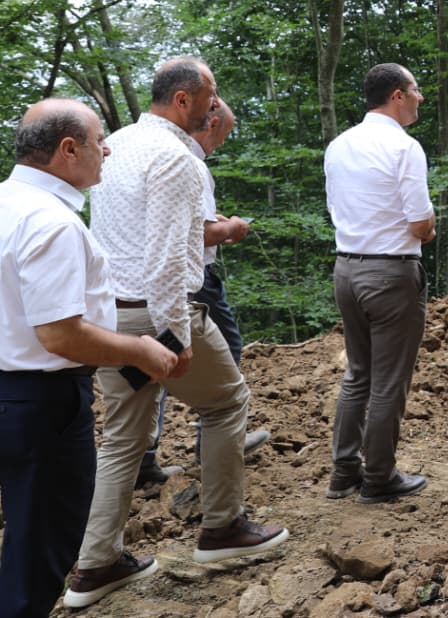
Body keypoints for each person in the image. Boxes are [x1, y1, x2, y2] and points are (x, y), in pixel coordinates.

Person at [68, 59, 287, 609]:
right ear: (184, 99)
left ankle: (96, 564)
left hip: (111, 314)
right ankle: (223, 529)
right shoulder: (177, 161)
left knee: (121, 439)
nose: (215, 109)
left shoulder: (116, 143)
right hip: (159, 313)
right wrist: (176, 335)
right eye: (211, 99)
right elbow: (168, 257)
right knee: (227, 402)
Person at [0, 100, 179, 618]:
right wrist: (140, 349)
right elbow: (60, 335)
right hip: (42, 403)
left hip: (12, 392)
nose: (108, 148)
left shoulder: (8, 203)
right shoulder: (51, 223)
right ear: (68, 149)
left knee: (28, 534)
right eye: (100, 139)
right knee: (41, 548)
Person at [139, 100, 270, 486]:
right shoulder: (188, 162)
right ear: (210, 123)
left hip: (148, 287)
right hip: (194, 280)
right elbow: (200, 231)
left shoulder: (145, 152)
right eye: (224, 134)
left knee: (149, 367)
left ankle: (143, 456)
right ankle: (216, 442)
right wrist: (233, 228)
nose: (222, 144)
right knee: (226, 354)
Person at [324, 63, 436, 504]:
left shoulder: (339, 145)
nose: (420, 97)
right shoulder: (404, 148)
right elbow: (419, 222)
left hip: (347, 270)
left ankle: (343, 471)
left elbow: (337, 207)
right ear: (396, 95)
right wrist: (430, 227)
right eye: (415, 90)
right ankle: (379, 477)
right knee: (390, 380)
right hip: (390, 274)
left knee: (359, 374)